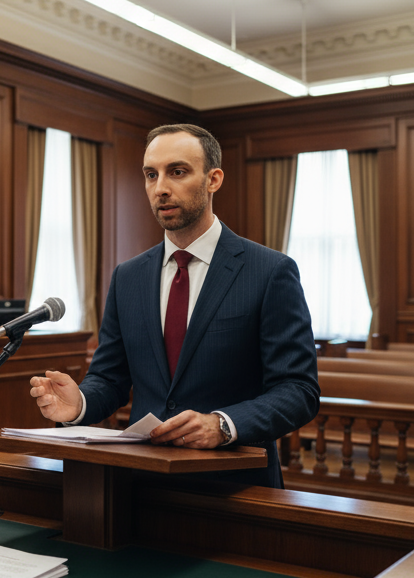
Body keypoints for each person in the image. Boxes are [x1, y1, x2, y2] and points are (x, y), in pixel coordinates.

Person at [28, 124, 319, 488]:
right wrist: (81, 404)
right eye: (151, 175)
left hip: (234, 488)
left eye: (177, 172)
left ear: (213, 179)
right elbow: (110, 378)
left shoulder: (269, 271)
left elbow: (298, 390)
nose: (160, 188)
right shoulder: (128, 276)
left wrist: (223, 424)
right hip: (140, 487)